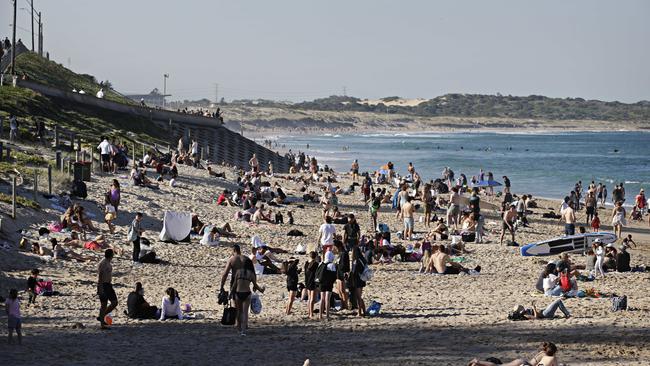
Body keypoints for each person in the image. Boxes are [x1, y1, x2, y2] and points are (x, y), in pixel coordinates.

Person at [232, 257, 264, 335]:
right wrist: (262, 289)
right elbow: (255, 285)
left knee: (239, 311)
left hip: (238, 293)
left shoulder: (238, 272)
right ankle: (243, 331)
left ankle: (238, 328)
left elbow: (234, 284)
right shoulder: (251, 274)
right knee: (245, 312)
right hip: (247, 293)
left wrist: (231, 293)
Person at [469, 342, 559, 366]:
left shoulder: (542, 353)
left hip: (523, 362)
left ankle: (478, 362)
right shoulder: (551, 357)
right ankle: (477, 361)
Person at [97, 249, 117, 329]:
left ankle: (101, 316)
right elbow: (100, 276)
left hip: (108, 285)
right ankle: (102, 324)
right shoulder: (103, 263)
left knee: (114, 302)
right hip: (103, 285)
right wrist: (100, 287)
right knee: (103, 305)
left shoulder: (108, 262)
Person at [318, 251, 338, 320]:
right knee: (327, 300)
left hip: (321, 283)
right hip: (329, 284)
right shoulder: (331, 265)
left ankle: (320, 315)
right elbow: (334, 276)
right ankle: (327, 315)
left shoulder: (321, 264)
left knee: (322, 299)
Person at [304, 251, 319, 319]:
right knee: (312, 299)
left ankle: (309, 311)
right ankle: (311, 313)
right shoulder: (315, 264)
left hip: (307, 281)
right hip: (313, 282)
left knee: (309, 298)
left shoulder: (306, 263)